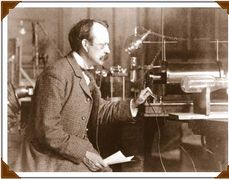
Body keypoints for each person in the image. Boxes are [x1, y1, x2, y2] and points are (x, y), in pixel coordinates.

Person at [13, 19, 153, 172]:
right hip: (48, 159)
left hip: (71, 152)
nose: (108, 51)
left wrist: (133, 103)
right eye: (102, 45)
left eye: (108, 45)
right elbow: (49, 131)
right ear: (85, 45)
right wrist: (85, 154)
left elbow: (98, 109)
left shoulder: (86, 74)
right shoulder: (55, 74)